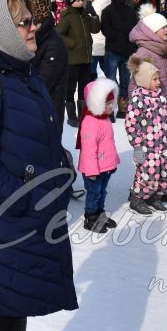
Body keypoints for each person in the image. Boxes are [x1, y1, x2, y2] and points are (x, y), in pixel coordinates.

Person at [0, 0, 77, 331]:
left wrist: (61, 165)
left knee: (11, 312)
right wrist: (26, 198)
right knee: (3, 316)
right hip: (5, 221)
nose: (33, 28)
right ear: (3, 30)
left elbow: (37, 134)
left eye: (33, 21)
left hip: (26, 220)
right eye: (24, 22)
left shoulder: (21, 72)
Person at [125, 57, 167, 215]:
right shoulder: (138, 99)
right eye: (154, 79)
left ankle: (154, 196)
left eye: (158, 78)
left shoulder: (160, 97)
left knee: (165, 173)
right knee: (148, 173)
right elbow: (131, 123)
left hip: (163, 144)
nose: (158, 82)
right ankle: (137, 198)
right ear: (144, 80)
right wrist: (138, 144)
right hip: (146, 146)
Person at [76, 77, 120, 232]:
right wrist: (91, 171)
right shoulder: (90, 122)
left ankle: (100, 213)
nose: (111, 107)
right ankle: (90, 217)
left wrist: (113, 162)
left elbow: (109, 144)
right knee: (94, 193)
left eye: (112, 103)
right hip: (93, 170)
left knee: (102, 192)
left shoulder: (104, 119)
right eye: (107, 104)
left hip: (105, 166)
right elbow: (88, 150)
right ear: (97, 103)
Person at [56, 0, 101, 127]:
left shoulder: (84, 15)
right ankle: (71, 116)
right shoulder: (67, 16)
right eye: (78, 0)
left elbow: (95, 29)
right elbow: (58, 34)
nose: (81, 2)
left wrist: (94, 15)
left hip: (86, 58)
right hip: (72, 59)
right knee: (70, 88)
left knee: (84, 87)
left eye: (81, 0)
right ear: (71, 2)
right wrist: (72, 43)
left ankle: (82, 114)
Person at [30, 0, 68, 125]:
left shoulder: (52, 44)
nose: (30, 28)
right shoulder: (40, 38)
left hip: (49, 108)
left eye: (32, 23)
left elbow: (44, 82)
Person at [101, 0, 137, 118]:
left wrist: (133, 44)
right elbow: (104, 27)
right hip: (113, 50)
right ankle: (110, 108)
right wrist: (114, 36)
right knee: (110, 80)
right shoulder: (108, 10)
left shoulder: (130, 11)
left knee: (126, 81)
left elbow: (135, 28)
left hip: (127, 51)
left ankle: (123, 108)